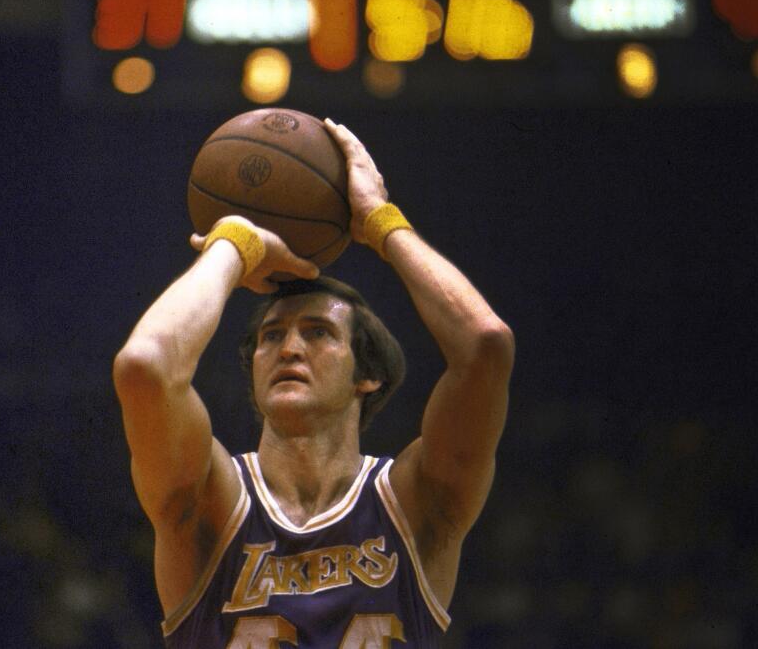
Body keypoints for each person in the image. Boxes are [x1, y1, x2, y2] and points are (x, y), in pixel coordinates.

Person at [113, 118, 514, 647]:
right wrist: (236, 243)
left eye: (319, 332)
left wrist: (380, 221)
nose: (290, 348)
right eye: (271, 336)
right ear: (253, 368)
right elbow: (144, 366)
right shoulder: (211, 500)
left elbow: (486, 346)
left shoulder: (415, 502)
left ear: (366, 376)